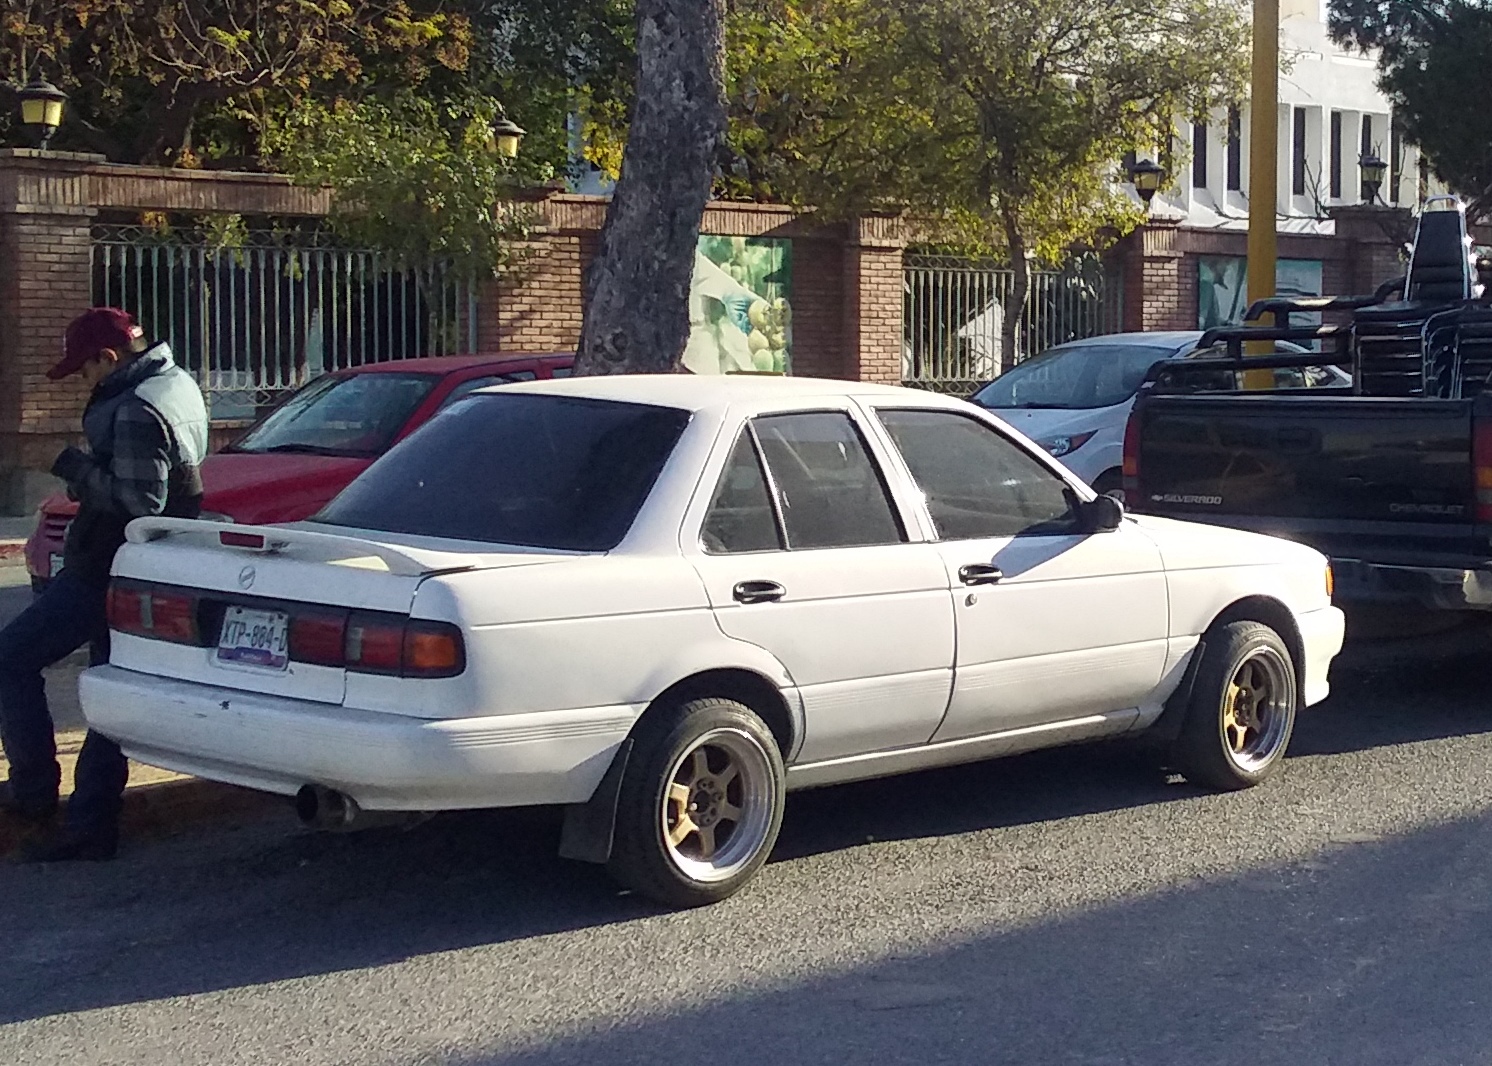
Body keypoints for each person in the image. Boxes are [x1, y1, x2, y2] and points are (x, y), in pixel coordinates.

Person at [0, 308, 208, 861]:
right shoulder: (176, 383)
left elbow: (141, 503)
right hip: (140, 568)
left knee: (11, 660)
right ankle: (90, 822)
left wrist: (68, 464)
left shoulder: (138, 406)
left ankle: (34, 797)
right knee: (108, 687)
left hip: (109, 566)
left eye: (85, 369)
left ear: (108, 358)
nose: (82, 381)